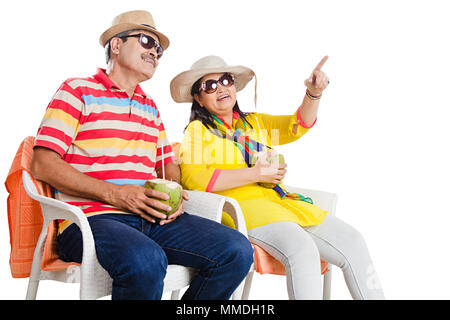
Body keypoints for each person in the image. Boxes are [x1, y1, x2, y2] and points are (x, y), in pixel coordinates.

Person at [30, 11, 253, 300]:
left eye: (158, 48)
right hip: (90, 221)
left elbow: (167, 168)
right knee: (147, 260)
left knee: (236, 250)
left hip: (150, 217)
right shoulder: (76, 91)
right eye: (147, 41)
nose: (154, 52)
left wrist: (173, 192)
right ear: (116, 45)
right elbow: (42, 163)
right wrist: (117, 195)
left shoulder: (150, 107)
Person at [170, 55, 385, 299]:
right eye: (210, 86)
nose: (221, 88)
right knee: (303, 250)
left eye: (226, 80)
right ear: (198, 98)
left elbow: (296, 125)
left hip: (283, 204)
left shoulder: (255, 123)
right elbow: (194, 179)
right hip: (243, 211)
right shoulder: (197, 131)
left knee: (353, 241)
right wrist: (255, 174)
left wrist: (313, 93)